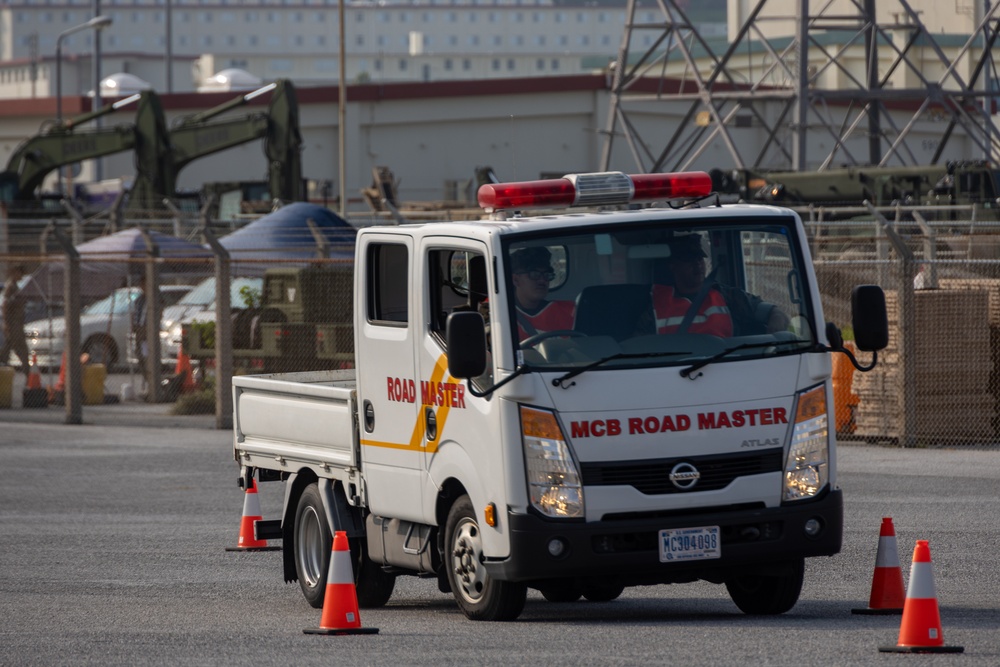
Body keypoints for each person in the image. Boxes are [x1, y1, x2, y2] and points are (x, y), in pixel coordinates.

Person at [652, 235, 733, 337]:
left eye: (699, 258)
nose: (697, 264)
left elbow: (758, 309)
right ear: (673, 265)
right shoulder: (655, 304)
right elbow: (642, 345)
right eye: (689, 259)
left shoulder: (728, 296)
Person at [510, 246, 575, 341]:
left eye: (546, 275)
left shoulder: (570, 312)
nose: (542, 280)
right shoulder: (500, 316)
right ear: (515, 280)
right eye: (534, 274)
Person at [1, 265, 31, 378]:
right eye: (20, 274)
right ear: (15, 273)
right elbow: (5, 304)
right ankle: (27, 372)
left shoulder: (15, 286)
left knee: (8, 347)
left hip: (16, 322)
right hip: (13, 323)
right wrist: (5, 323)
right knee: (22, 348)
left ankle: (26, 371)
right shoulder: (10, 286)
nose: (21, 276)